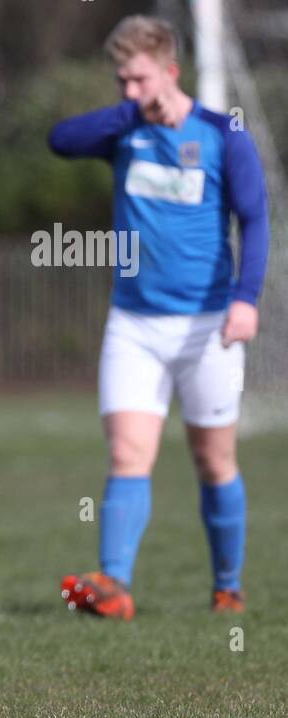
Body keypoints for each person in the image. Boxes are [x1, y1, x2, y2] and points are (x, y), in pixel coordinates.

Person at [50, 15, 269, 619]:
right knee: (127, 453)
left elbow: (254, 219)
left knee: (213, 460)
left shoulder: (223, 134)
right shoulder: (123, 130)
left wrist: (246, 299)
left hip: (209, 326)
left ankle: (228, 586)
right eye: (121, 79)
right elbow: (59, 139)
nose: (127, 90)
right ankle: (113, 587)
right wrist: (132, 114)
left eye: (138, 79)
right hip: (134, 325)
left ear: (170, 71)